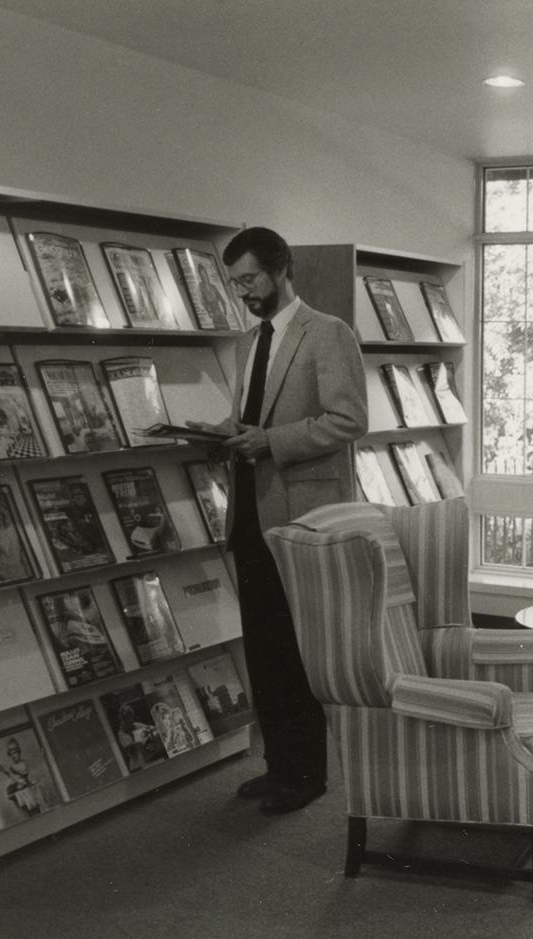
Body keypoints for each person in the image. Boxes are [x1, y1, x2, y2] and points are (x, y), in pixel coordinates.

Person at [188, 227, 367, 814]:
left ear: (282, 268)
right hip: (249, 509)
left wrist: (270, 442)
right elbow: (253, 417)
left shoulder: (328, 334)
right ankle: (278, 765)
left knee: (297, 647)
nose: (242, 292)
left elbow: (348, 421)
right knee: (263, 645)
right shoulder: (245, 344)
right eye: (235, 281)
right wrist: (224, 434)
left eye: (250, 279)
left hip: (301, 515)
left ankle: (307, 774)